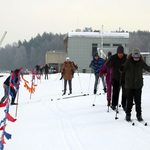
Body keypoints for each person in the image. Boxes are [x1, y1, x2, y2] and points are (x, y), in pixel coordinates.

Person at [122, 48, 150, 121]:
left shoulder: (141, 62)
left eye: (137, 58)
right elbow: (123, 68)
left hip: (138, 85)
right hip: (129, 85)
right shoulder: (128, 62)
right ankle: (128, 115)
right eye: (135, 57)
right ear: (132, 56)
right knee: (129, 101)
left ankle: (139, 115)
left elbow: (147, 68)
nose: (136, 59)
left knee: (138, 101)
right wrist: (121, 68)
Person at [107, 45, 127, 111]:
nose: (120, 55)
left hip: (124, 78)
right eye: (119, 53)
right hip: (115, 78)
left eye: (121, 53)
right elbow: (108, 65)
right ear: (117, 53)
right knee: (115, 92)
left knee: (125, 92)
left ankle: (124, 104)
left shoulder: (126, 57)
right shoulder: (113, 57)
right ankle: (114, 104)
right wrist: (109, 60)